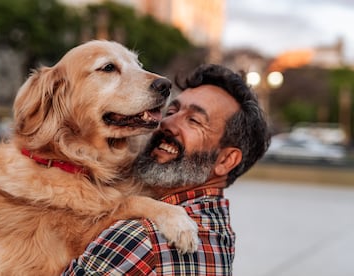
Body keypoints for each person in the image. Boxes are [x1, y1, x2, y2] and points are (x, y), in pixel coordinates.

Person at [63, 64, 270, 275]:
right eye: (171, 110)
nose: (167, 123)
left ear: (226, 160)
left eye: (194, 120)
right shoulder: (217, 233)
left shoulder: (141, 238)